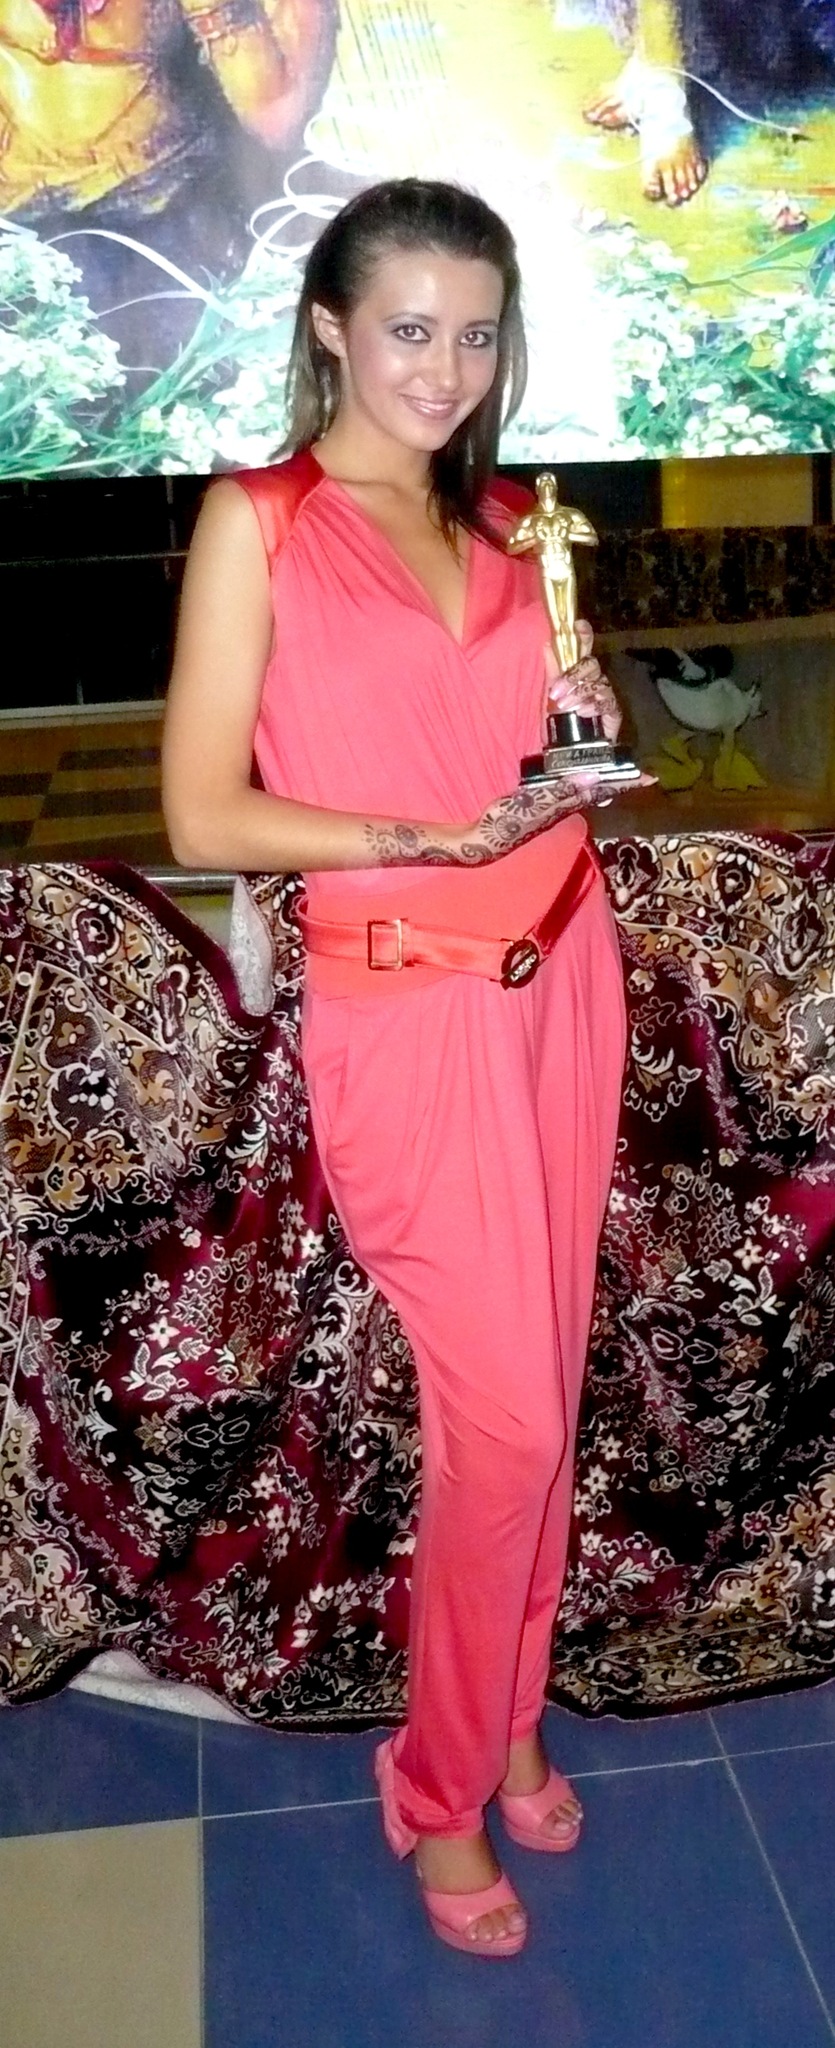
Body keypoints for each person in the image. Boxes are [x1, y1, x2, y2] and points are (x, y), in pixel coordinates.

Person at [162, 176, 634, 1959]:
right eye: (411, 328)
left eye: (477, 333)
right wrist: (412, 839)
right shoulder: (261, 522)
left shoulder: (509, 521)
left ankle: (509, 1714)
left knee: (547, 1399)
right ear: (331, 330)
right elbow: (204, 810)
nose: (446, 367)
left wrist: (583, 729)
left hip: (564, 973)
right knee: (501, 1426)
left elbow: (537, 749)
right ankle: (439, 1788)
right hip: (411, 1008)